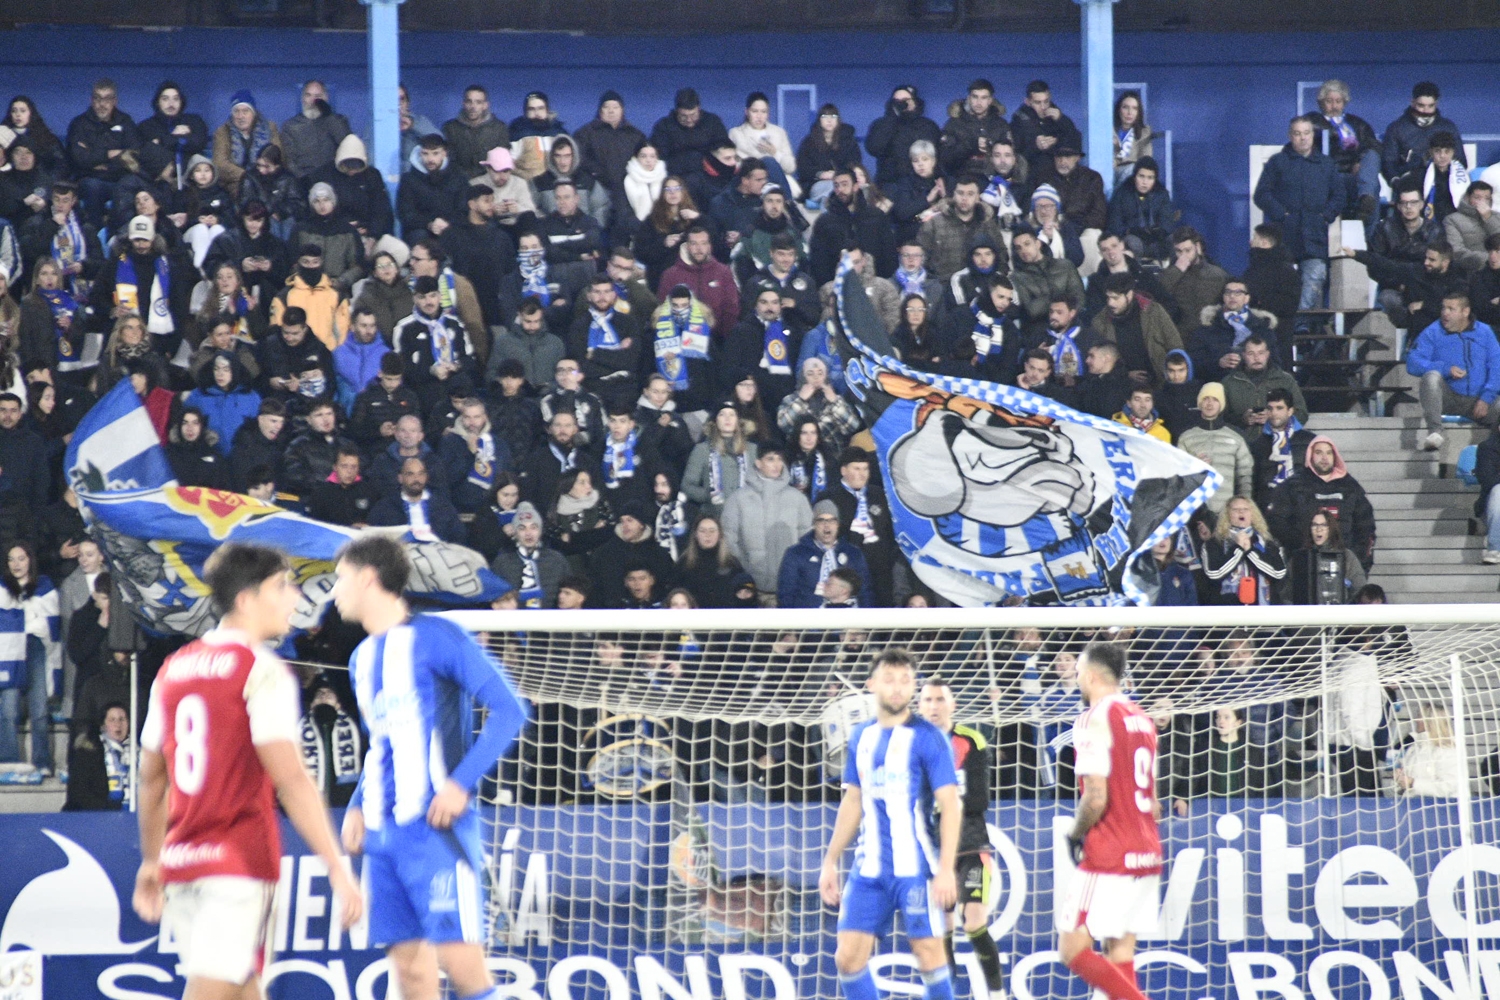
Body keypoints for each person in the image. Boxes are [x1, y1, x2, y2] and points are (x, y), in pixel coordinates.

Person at [132, 544, 360, 998]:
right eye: (282, 586)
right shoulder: (260, 669)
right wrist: (336, 866)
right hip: (235, 861)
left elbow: (151, 776)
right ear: (246, 599)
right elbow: (291, 778)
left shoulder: (173, 669)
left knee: (243, 989)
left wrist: (153, 858)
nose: (295, 596)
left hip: (184, 861)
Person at [334, 535, 528, 1000]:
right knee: (412, 976)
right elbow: (384, 743)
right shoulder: (360, 658)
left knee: (466, 975)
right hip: (382, 836)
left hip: (436, 832)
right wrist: (359, 803)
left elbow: (510, 711)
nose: (334, 591)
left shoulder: (437, 637)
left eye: (339, 579)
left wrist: (460, 785)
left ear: (367, 578)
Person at [819, 648, 960, 1000]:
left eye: (905, 680)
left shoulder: (928, 737)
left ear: (913, 685)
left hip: (914, 868)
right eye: (889, 680)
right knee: (847, 958)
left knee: (929, 955)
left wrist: (945, 870)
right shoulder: (861, 736)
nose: (898, 688)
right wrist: (830, 860)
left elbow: (950, 805)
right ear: (872, 684)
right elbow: (853, 801)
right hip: (869, 870)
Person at [1054, 642, 1159, 1000]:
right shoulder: (1142, 718)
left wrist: (1075, 833)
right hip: (1146, 851)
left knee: (1071, 949)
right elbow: (1153, 803)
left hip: (1110, 852)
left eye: (1080, 671)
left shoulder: (1094, 716)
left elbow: (1096, 796)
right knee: (1120, 954)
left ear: (1093, 675)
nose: (1078, 678)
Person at [917, 679, 1005, 1000]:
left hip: (970, 844)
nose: (934, 706)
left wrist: (941, 801)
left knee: (974, 922)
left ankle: (997, 994)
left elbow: (980, 799)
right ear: (920, 706)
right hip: (934, 851)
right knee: (943, 927)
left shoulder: (971, 740)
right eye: (928, 700)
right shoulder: (912, 744)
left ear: (952, 705)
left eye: (940, 699)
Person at [1253, 117, 1343, 325]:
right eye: (1297, 133)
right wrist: (1281, 215)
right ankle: (1281, 325)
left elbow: (1339, 196)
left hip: (1315, 236)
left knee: (1314, 277)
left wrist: (1325, 217)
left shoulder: (1327, 165)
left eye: (1307, 133)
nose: (1302, 138)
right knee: (1280, 283)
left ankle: (1298, 326)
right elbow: (1262, 194)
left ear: (1313, 135)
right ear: (1290, 136)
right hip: (1283, 237)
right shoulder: (1278, 162)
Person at [1265, 434, 1376, 573]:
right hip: (1303, 564)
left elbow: (1366, 527)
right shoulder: (1293, 486)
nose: (1324, 457)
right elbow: (1277, 521)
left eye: (1329, 453)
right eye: (1319, 452)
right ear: (1310, 455)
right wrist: (1301, 545)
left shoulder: (1351, 487)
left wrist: (1358, 561)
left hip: (1345, 565)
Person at [1404, 290, 1500, 450]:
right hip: (1449, 398)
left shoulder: (1484, 332)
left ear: (1465, 311)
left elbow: (1497, 365)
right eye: (1443, 308)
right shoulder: (1433, 332)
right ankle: (1435, 432)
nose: (1445, 313)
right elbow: (1413, 362)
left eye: (1451, 309)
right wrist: (1444, 369)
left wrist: (1486, 397)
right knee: (1432, 377)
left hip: (1480, 400)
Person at [721, 445, 812, 600]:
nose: (777, 464)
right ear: (758, 463)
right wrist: (746, 570)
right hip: (749, 590)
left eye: (780, 459)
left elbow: (807, 539)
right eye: (770, 459)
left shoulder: (798, 499)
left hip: (790, 589)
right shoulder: (738, 499)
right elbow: (729, 540)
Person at [1308, 80, 1383, 221]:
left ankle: (1366, 203)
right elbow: (1308, 135)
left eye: (1338, 101)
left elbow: (1374, 145)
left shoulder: (1357, 123)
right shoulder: (1313, 120)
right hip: (1326, 176)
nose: (1334, 106)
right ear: (1321, 102)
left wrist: (1360, 161)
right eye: (1329, 101)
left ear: (1345, 102)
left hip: (1353, 176)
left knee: (1373, 169)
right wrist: (1335, 133)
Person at [1177, 382, 1252, 514]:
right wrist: (1194, 467)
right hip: (1194, 513)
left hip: (1228, 514)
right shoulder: (1186, 437)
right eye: (1206, 399)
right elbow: (1178, 477)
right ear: (1199, 403)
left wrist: (1243, 508)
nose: (1210, 404)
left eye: (1215, 399)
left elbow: (1245, 476)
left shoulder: (1236, 436)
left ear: (1221, 404)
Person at [1202, 496, 1286, 605]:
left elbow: (1279, 573)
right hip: (1228, 612)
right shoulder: (1214, 543)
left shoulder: (1268, 542)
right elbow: (1214, 573)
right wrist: (1238, 549)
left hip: (1262, 611)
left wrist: (1250, 551)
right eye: (1235, 510)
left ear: (1253, 514)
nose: (1241, 512)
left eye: (1246, 509)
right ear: (1227, 515)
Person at [1220, 335, 1307, 440]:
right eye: (1251, 353)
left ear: (1267, 354)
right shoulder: (1229, 382)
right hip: (1241, 445)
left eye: (1261, 353)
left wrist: (1274, 417)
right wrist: (1242, 419)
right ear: (1243, 355)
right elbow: (1219, 417)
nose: (1257, 358)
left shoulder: (1285, 380)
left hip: (1278, 444)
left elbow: (1301, 414)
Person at [1382, 81, 1466, 185]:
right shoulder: (1396, 128)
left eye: (1430, 106)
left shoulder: (1448, 127)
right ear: (1412, 102)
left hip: (1443, 183)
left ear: (1437, 103)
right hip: (1409, 183)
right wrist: (1396, 183)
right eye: (1421, 105)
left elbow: (1460, 161)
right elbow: (1389, 162)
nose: (1426, 111)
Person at [369, 456, 467, 544]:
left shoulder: (443, 506)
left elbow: (458, 538)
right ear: (400, 478)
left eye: (421, 473)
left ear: (426, 476)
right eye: (410, 474)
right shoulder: (385, 507)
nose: (416, 479)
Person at [867, 85, 943, 188]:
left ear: (915, 102)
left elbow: (938, 155)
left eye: (905, 100)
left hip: (922, 186)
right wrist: (892, 117)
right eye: (897, 101)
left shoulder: (928, 126)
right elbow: (874, 148)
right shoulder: (881, 124)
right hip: (890, 185)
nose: (901, 104)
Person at [1249, 389, 1314, 510]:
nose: (1274, 413)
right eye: (1270, 408)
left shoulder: (1310, 441)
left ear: (1290, 411)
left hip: (1301, 508)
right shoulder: (1257, 444)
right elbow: (1254, 483)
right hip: (1267, 509)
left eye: (1279, 408)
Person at [1288, 511, 1367, 604]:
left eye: (1324, 525)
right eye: (1314, 525)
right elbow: (1287, 592)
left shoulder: (1347, 556)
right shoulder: (1300, 557)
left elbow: (1359, 589)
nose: (1318, 529)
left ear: (1331, 529)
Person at [443, 85, 510, 179]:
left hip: (490, 182)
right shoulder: (450, 128)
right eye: (469, 101)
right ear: (463, 103)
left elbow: (502, 162)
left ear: (485, 105)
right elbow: (448, 161)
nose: (473, 107)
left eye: (478, 102)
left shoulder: (499, 128)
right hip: (459, 182)